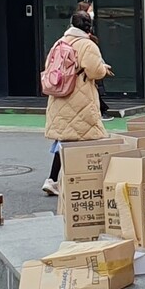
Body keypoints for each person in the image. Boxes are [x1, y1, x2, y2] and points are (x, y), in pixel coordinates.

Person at [42, 12, 111, 196]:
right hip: (79, 97)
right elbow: (95, 71)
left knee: (65, 138)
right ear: (89, 26)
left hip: (59, 95)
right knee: (91, 137)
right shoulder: (87, 45)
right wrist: (104, 68)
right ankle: (84, 180)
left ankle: (53, 180)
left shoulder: (60, 42)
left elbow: (49, 65)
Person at [77, 0, 113, 121]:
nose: (93, 13)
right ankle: (101, 111)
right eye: (90, 10)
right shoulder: (84, 38)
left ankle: (101, 110)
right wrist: (101, 67)